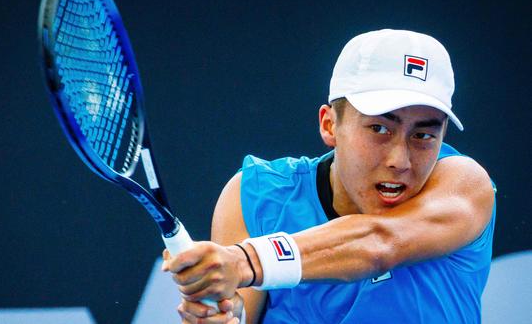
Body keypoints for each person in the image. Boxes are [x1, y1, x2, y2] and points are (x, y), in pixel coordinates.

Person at [162, 29, 496, 323]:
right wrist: (221, 317)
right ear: (329, 124)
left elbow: (380, 243)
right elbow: (239, 313)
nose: (400, 160)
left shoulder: (464, 187)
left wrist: (244, 260)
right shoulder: (257, 195)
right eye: (380, 128)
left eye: (423, 135)